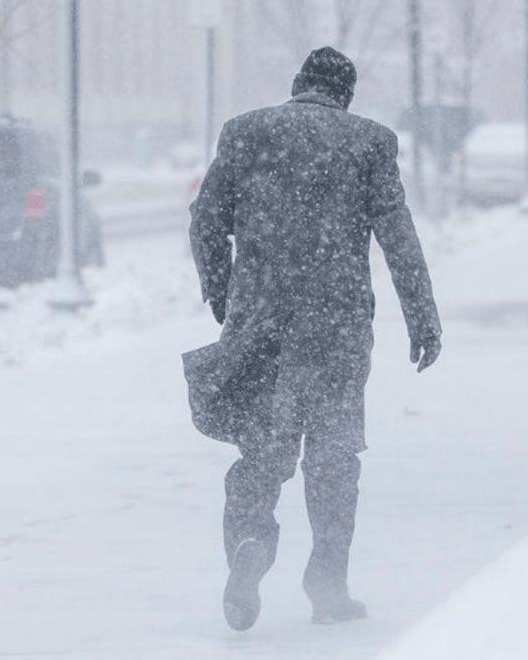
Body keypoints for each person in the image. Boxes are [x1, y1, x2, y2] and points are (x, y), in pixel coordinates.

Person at [183, 47, 442, 631]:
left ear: (297, 84)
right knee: (333, 457)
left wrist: (224, 291)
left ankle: (249, 544)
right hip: (336, 329)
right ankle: (327, 585)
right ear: (344, 95)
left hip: (262, 325)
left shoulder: (246, 131)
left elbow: (204, 219)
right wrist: (423, 316)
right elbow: (397, 236)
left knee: (262, 453)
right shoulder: (369, 142)